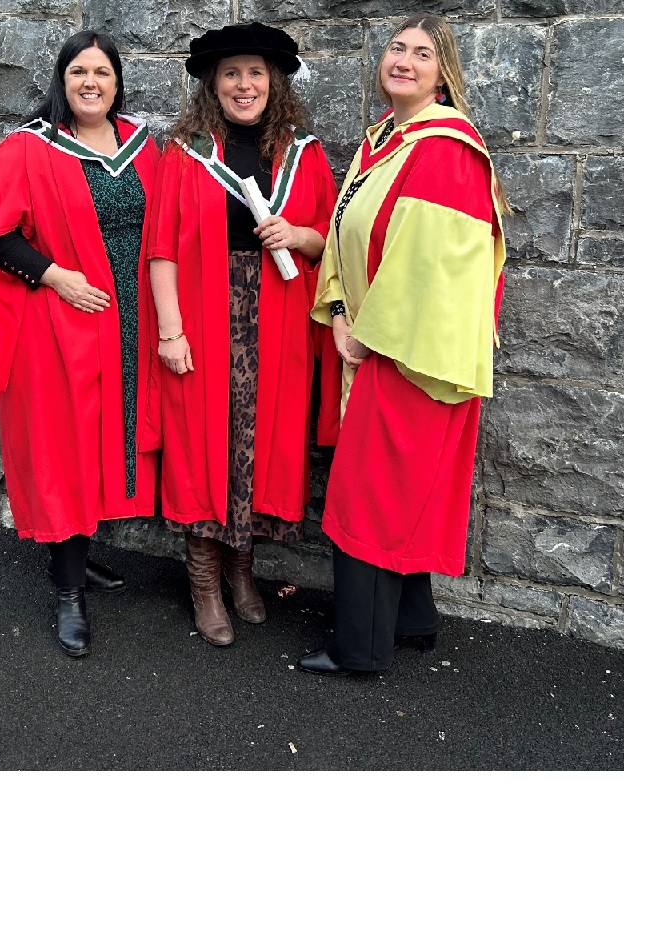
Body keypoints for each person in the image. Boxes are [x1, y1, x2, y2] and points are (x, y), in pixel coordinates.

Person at [297, 13, 512, 676]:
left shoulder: (444, 148)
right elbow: (346, 233)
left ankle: (359, 648)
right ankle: (414, 620)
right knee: (399, 487)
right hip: (376, 340)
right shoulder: (385, 142)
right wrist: (335, 307)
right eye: (396, 48)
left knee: (369, 492)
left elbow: (428, 267)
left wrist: (366, 333)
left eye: (421, 53)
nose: (404, 61)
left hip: (412, 352)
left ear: (441, 71)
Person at [0, 30, 162, 658]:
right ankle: (68, 587)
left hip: (132, 324)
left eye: (102, 71)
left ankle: (77, 554)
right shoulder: (28, 148)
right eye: (79, 72)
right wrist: (57, 276)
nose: (91, 82)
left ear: (117, 80)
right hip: (62, 327)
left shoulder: (144, 147)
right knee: (67, 447)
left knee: (109, 443)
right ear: (62, 80)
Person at [147, 22, 340, 647]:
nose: (244, 84)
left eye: (255, 72)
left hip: (276, 317)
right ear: (213, 84)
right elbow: (162, 250)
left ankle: (241, 573)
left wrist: (300, 235)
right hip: (204, 314)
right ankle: (203, 586)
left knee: (256, 446)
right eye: (231, 73)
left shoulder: (302, 153)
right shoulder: (185, 151)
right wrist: (170, 329)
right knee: (203, 445)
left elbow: (330, 242)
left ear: (274, 81)